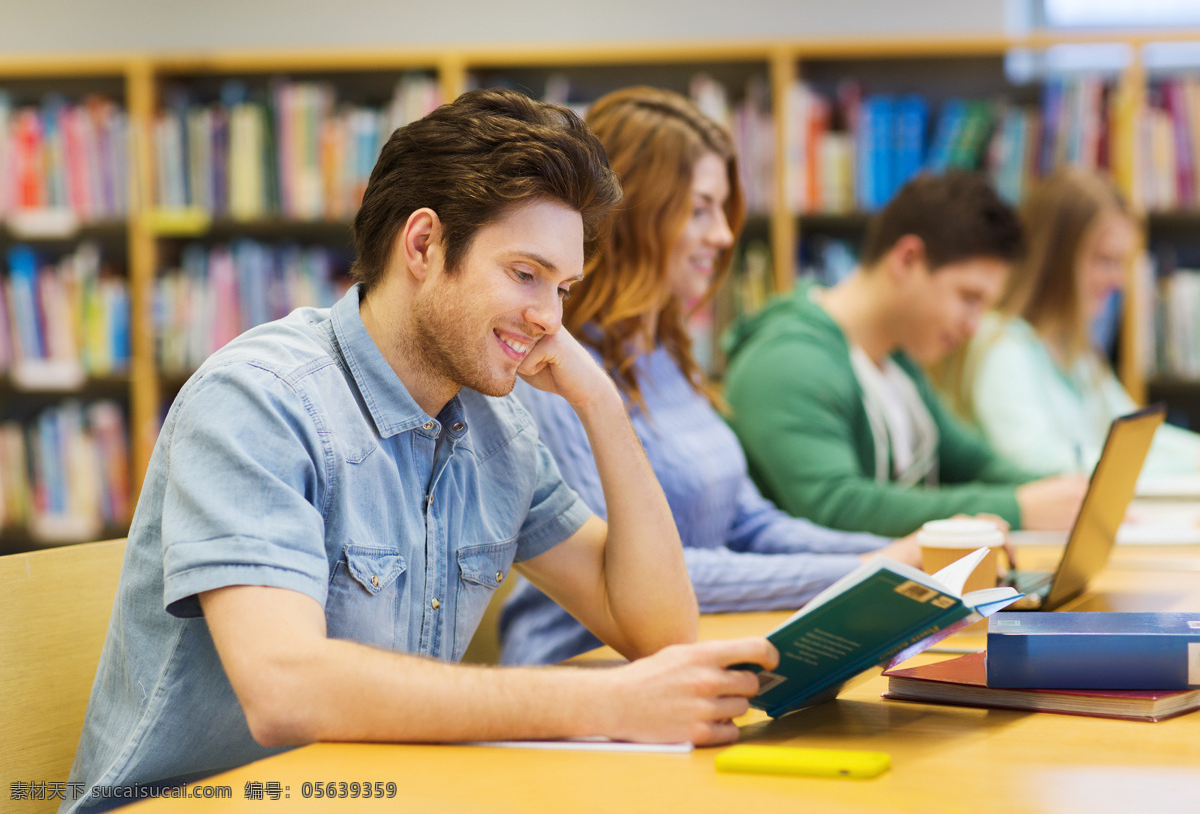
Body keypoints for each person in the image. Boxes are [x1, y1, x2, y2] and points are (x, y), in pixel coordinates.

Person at [62, 89, 778, 814]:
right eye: (525, 274)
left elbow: (657, 629)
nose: (550, 318)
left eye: (563, 288)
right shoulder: (260, 398)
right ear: (425, 245)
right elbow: (286, 688)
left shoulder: (497, 425)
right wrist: (605, 701)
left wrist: (602, 403)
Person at [499, 87, 922, 667]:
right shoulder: (550, 373)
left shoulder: (668, 356)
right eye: (700, 208)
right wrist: (866, 570)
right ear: (634, 211)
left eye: (722, 210)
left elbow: (750, 524)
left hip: (689, 648)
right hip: (585, 666)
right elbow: (640, 573)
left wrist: (901, 555)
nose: (724, 235)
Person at [722, 172, 1088, 539]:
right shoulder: (788, 361)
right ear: (907, 260)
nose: (974, 326)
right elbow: (835, 507)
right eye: (968, 298)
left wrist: (1067, 494)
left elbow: (970, 461)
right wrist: (1020, 508)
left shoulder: (895, 357)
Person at [948, 167, 1200, 477]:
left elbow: (1140, 434)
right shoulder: (1004, 348)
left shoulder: (1076, 351)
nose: (1118, 281)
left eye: (1122, 264)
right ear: (1056, 260)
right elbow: (1038, 463)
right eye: (1105, 261)